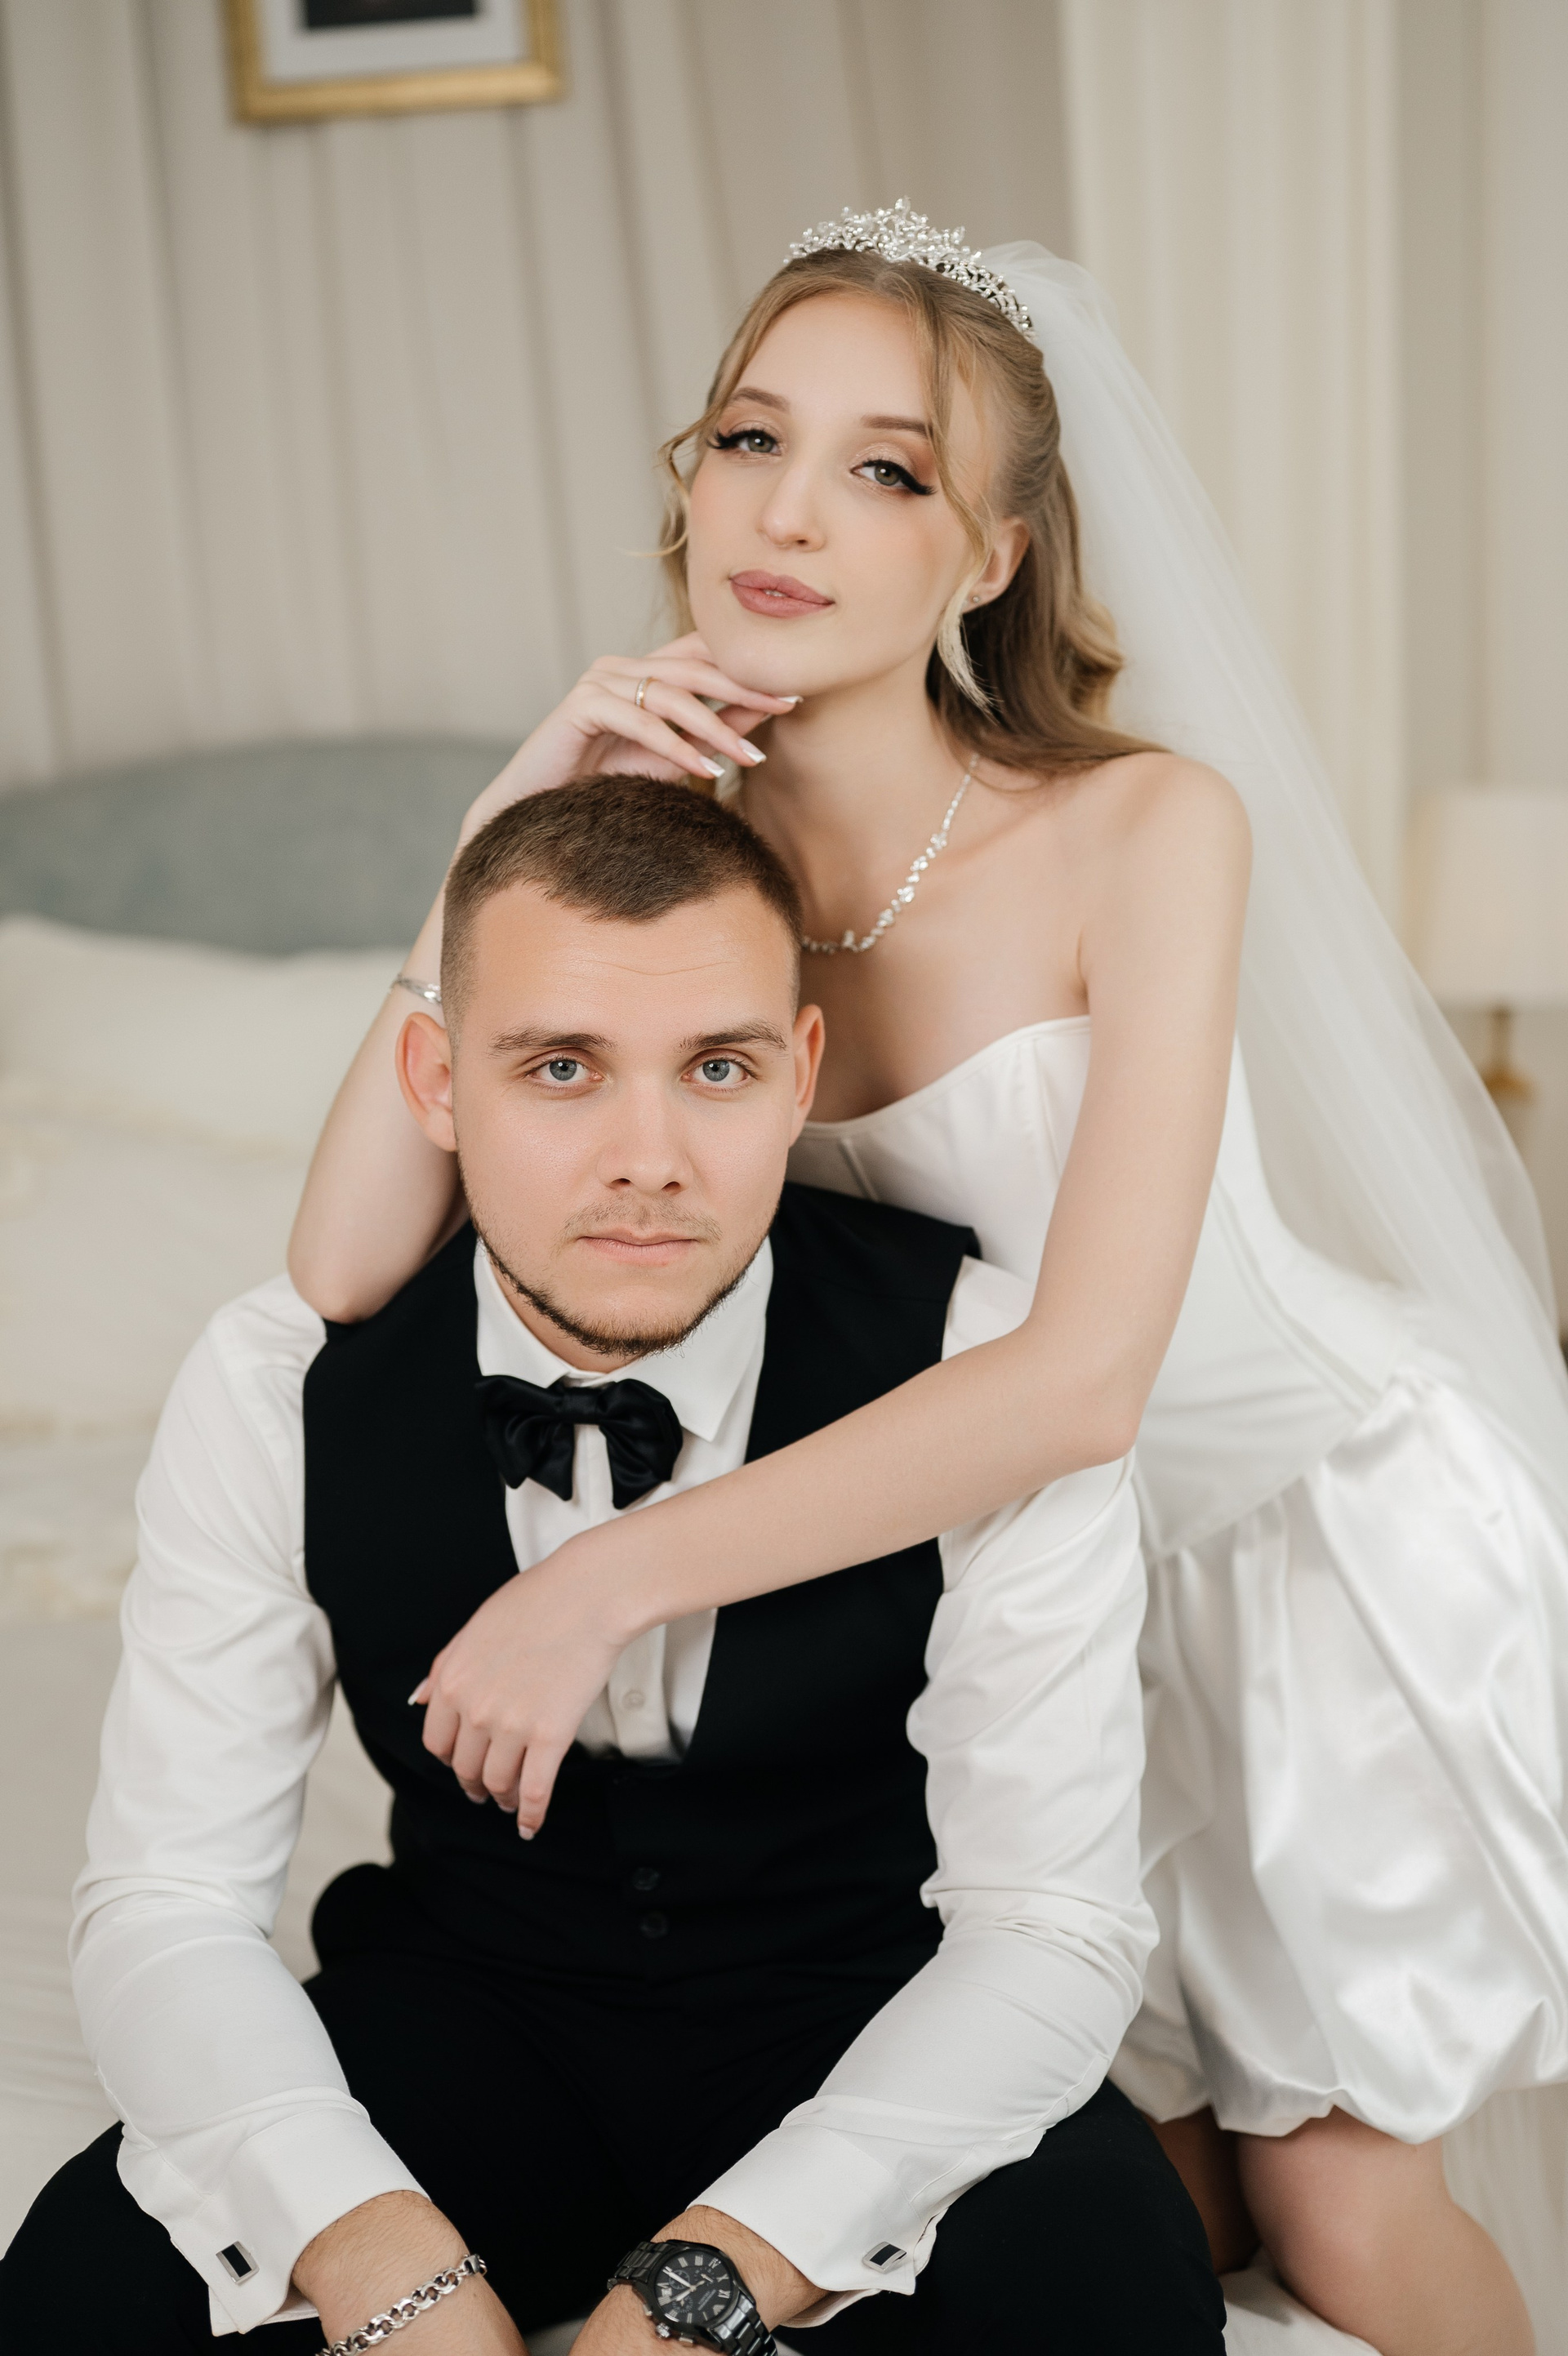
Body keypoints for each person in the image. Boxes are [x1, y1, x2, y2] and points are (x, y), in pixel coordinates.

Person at [285, 212, 1568, 2356]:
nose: (789, 513)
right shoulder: (680, 866)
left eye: (885, 469)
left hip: (1290, 1555)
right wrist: (510, 811)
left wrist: (605, 1582)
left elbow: (1084, 1383)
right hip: (1001, 1595)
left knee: (1337, 2201)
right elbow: (344, 1262)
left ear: (990, 556)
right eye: (751, 439)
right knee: (1100, 2203)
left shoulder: (1145, 829)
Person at [1, 778, 1223, 2354]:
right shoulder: (272, 1383)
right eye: (562, 1067)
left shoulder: (981, 1366)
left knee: (1110, 2296)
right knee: (79, 2294)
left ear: (801, 1075)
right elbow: (167, 1896)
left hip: (874, 2010)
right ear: (437, 1080)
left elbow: (1047, 1924)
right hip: (465, 2008)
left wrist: (713, 2283)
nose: (648, 1160)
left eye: (716, 1068)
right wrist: (380, 2263)